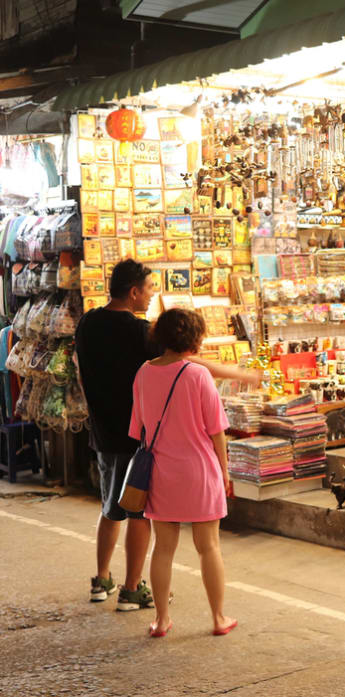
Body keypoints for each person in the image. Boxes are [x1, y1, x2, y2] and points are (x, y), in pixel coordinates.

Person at [75, 259, 257, 610]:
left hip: (103, 431)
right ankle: (131, 587)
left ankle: (102, 579)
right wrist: (235, 372)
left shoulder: (87, 323)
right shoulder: (139, 331)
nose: (150, 295)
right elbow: (187, 363)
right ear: (133, 292)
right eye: (148, 289)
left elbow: (81, 373)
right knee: (139, 513)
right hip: (138, 441)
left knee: (112, 505)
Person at [128, 308, 237, 638]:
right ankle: (218, 618)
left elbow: (139, 429)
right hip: (200, 472)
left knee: (163, 548)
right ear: (194, 337)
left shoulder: (143, 373)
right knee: (209, 547)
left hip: (161, 473)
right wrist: (225, 471)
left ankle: (161, 621)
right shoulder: (198, 375)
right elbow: (217, 430)